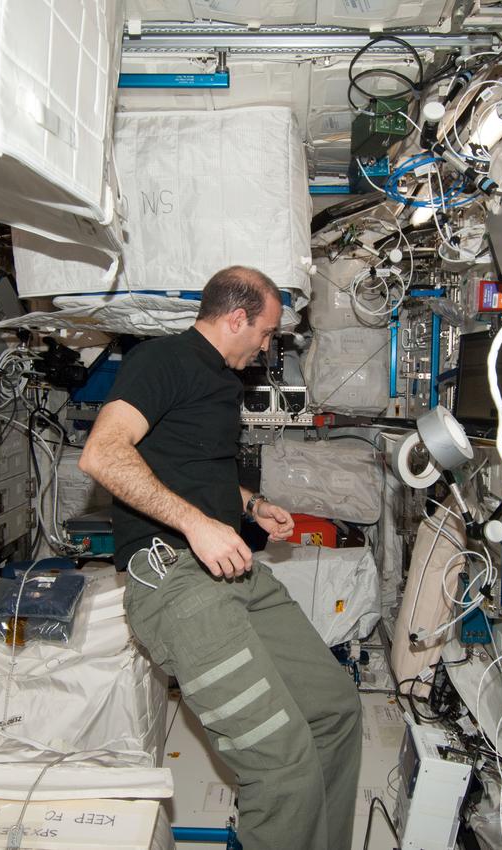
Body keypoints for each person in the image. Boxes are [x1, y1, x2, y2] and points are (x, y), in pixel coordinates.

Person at [79, 266, 362, 850]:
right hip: (179, 584)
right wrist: (196, 525)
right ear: (236, 319)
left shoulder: (221, 382)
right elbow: (103, 455)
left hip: (232, 571)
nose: (266, 347)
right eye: (265, 333)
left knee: (335, 711)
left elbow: (186, 471)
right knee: (282, 768)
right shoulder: (161, 361)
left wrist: (251, 504)